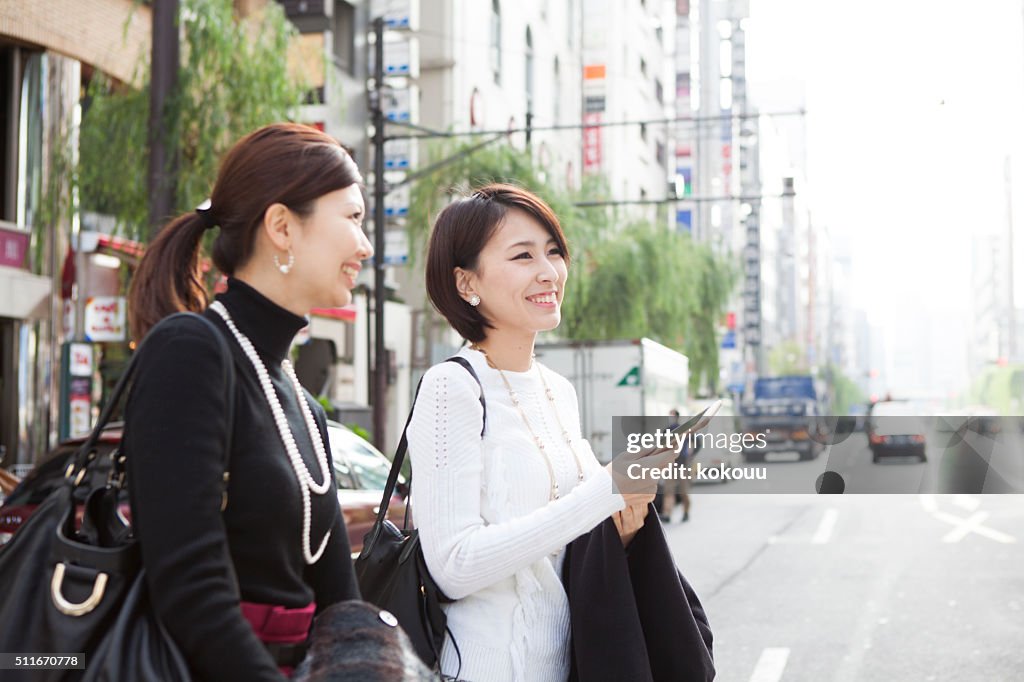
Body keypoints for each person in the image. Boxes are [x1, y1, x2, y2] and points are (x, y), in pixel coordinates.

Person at [124, 123, 371, 681]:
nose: (365, 245)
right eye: (353, 218)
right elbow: (190, 589)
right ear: (282, 227)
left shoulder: (303, 405)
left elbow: (339, 601)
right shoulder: (190, 352)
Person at [407, 184, 681, 681]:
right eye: (523, 255)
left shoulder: (558, 390)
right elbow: (453, 567)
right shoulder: (452, 387)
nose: (548, 271)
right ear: (467, 282)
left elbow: (561, 554)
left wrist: (624, 523)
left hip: (565, 667)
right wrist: (603, 491)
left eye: (554, 251)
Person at [659, 407, 694, 523]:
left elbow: (693, 445)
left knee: (683, 491)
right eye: (670, 415)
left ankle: (686, 512)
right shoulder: (667, 430)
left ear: (677, 417)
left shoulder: (685, 430)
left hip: (683, 465)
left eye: (672, 415)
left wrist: (689, 456)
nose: (671, 418)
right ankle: (667, 513)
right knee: (668, 491)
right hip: (671, 464)